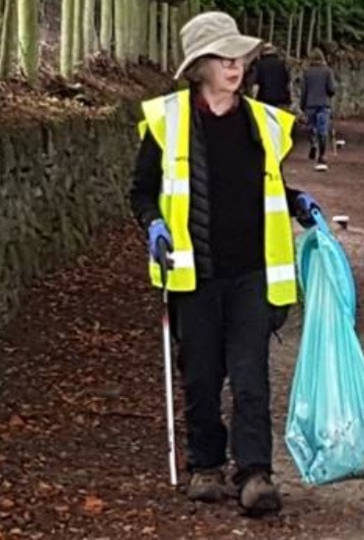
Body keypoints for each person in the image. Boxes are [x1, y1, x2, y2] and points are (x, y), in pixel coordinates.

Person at [129, 11, 322, 518]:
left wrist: (298, 199)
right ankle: (206, 466)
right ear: (200, 66)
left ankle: (255, 473)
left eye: (239, 56)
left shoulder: (264, 123)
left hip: (253, 272)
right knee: (201, 374)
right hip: (194, 273)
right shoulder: (167, 122)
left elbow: (266, 187)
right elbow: (141, 190)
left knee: (251, 375)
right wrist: (152, 224)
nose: (235, 65)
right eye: (223, 57)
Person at [300, 48, 337, 172]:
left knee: (311, 127)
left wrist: (302, 104)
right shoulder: (328, 71)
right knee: (323, 129)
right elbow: (331, 89)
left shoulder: (307, 72)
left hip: (310, 104)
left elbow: (304, 90)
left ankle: (313, 144)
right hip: (323, 104)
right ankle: (322, 155)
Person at [250, 43, 292, 109]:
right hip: (281, 100)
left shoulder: (259, 65)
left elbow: (255, 85)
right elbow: (288, 83)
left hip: (264, 100)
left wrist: (253, 100)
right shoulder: (281, 64)